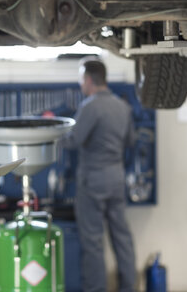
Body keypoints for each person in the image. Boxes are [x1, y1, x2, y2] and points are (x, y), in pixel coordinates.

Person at [60, 57, 136, 292]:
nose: (81, 84)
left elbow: (74, 141)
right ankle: (129, 287)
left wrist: (55, 133)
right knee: (122, 238)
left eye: (82, 79)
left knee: (93, 242)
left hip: (92, 181)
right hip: (116, 179)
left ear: (89, 79)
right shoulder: (122, 107)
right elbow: (131, 141)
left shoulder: (90, 106)